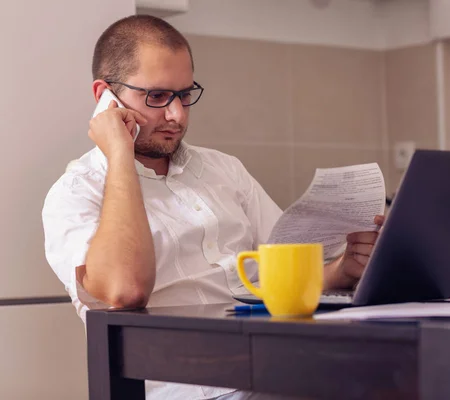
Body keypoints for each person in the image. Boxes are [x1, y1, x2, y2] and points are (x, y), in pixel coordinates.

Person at [41, 15, 384, 400]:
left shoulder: (224, 170)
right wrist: (119, 154)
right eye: (156, 97)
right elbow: (126, 290)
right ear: (105, 96)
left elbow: (274, 272)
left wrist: (340, 271)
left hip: (273, 372)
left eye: (185, 95)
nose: (178, 115)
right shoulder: (75, 193)